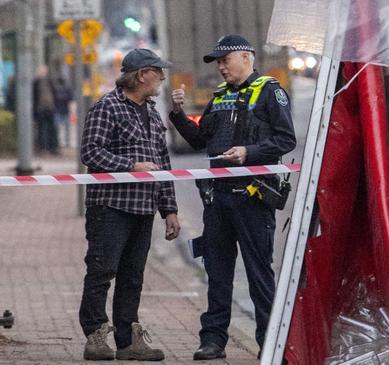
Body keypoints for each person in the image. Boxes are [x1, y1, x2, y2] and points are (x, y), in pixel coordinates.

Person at [169, 34, 296, 360]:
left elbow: (286, 140)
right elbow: (199, 140)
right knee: (218, 274)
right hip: (217, 201)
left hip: (253, 199)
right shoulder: (221, 96)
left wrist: (249, 152)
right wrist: (178, 114)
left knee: (259, 275)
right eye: (218, 62)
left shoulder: (270, 92)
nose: (221, 67)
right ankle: (213, 340)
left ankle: (269, 342)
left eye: (225, 60)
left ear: (245, 57)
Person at [79, 48, 181, 361]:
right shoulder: (108, 107)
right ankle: (95, 335)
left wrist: (170, 210)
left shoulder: (151, 113)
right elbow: (90, 152)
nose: (162, 77)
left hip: (143, 208)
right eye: (157, 71)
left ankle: (127, 340)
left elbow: (162, 164)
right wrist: (130, 165)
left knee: (132, 276)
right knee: (101, 271)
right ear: (140, 75)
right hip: (110, 207)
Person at [32, 65, 59, 154]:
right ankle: (42, 148)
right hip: (40, 109)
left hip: (50, 108)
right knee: (41, 129)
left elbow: (55, 93)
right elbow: (34, 96)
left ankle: (53, 148)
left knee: (52, 129)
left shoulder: (50, 81)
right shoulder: (35, 82)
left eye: (44, 71)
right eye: (42, 71)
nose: (43, 73)